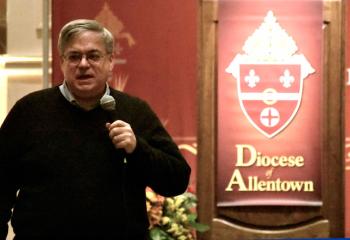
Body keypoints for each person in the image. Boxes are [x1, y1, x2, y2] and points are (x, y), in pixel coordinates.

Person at [0, 19, 191, 239]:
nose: (83, 64)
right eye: (74, 56)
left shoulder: (134, 111)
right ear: (62, 62)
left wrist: (138, 149)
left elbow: (177, 180)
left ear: (110, 61)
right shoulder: (29, 110)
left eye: (93, 56)